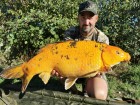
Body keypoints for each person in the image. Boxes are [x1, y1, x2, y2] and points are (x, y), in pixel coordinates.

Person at [52, 0, 109, 100]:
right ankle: (74, 90)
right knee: (60, 71)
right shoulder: (70, 33)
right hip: (73, 69)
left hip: (92, 74)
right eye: (83, 17)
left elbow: (105, 65)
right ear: (78, 17)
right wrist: (57, 67)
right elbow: (63, 56)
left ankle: (87, 89)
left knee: (99, 95)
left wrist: (100, 69)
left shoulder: (102, 39)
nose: (86, 22)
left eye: (90, 17)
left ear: (96, 19)